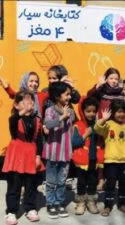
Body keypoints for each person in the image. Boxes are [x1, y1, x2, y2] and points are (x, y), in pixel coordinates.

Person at [2, 90, 43, 225]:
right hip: (16, 155)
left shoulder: (37, 120)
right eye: (24, 101)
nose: (28, 103)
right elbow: (12, 122)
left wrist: (38, 156)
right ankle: (11, 211)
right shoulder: (15, 119)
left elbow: (38, 140)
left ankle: (30, 208)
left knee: (31, 185)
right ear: (16, 105)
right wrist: (22, 112)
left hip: (31, 155)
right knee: (14, 185)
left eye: (30, 100)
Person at [94, 99, 125, 217]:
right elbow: (97, 129)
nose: (121, 114)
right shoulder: (108, 125)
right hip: (111, 161)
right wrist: (103, 119)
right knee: (110, 184)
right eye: (118, 111)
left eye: (123, 111)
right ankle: (108, 205)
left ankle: (122, 204)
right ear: (113, 112)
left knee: (123, 184)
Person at [43, 82, 75, 219]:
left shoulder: (71, 111)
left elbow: (72, 121)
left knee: (62, 181)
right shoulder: (49, 110)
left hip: (65, 152)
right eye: (66, 94)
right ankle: (50, 204)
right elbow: (48, 124)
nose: (69, 97)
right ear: (57, 96)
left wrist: (67, 114)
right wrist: (62, 116)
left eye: (69, 94)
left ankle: (60, 203)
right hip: (52, 152)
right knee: (51, 181)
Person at [72, 97, 103, 215]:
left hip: (94, 160)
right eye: (88, 111)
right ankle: (80, 202)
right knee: (81, 182)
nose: (91, 114)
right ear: (82, 112)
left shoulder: (97, 125)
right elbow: (75, 143)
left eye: (94, 111)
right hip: (81, 161)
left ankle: (91, 201)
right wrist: (86, 134)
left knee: (92, 181)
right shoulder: (77, 125)